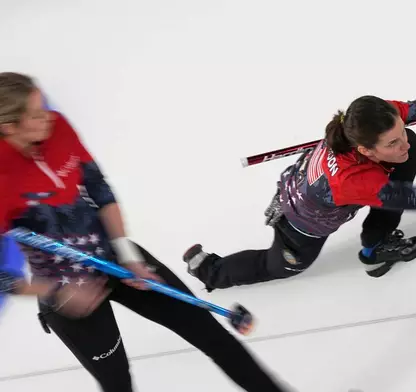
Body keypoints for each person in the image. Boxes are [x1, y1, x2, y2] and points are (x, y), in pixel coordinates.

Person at [0, 72, 288, 392]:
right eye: (36, 115)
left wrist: (129, 256)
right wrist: (56, 292)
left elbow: (100, 191)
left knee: (213, 336)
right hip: (67, 289)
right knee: (118, 383)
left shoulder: (58, 128)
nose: (48, 119)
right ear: (9, 126)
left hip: (115, 257)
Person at [184, 70, 416, 291]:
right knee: (280, 266)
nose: (402, 145)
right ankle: (211, 271)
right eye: (391, 143)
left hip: (317, 182)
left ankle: (375, 243)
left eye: (398, 134)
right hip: (301, 223)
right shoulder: (357, 181)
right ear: (365, 150)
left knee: (411, 148)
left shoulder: (373, 118)